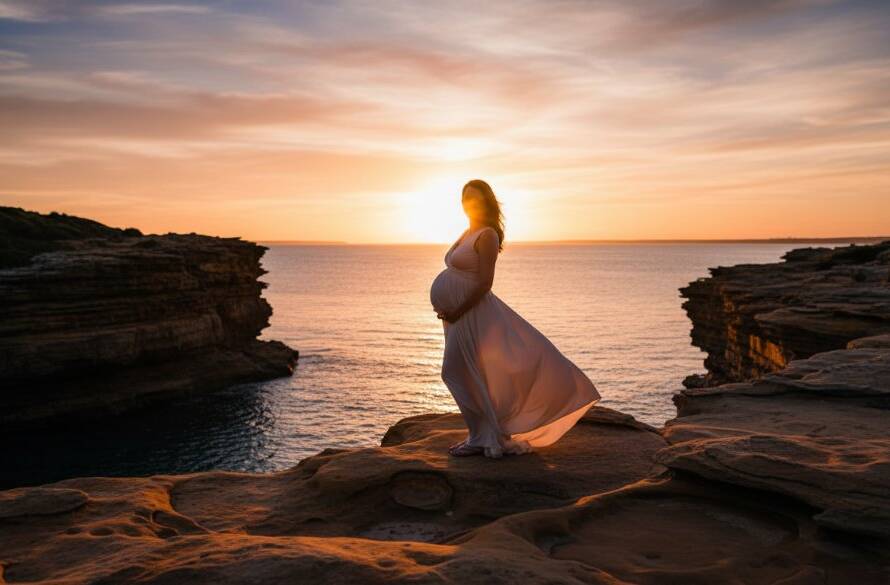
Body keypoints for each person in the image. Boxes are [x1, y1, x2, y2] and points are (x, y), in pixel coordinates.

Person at [429, 179, 601, 458]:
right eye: (465, 198)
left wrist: (458, 310)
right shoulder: (467, 232)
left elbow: (485, 283)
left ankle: (482, 438)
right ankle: (480, 435)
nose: (469, 203)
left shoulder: (487, 235)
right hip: (455, 316)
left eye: (475, 198)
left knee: (455, 371)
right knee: (468, 373)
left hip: (470, 314)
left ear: (486, 202)